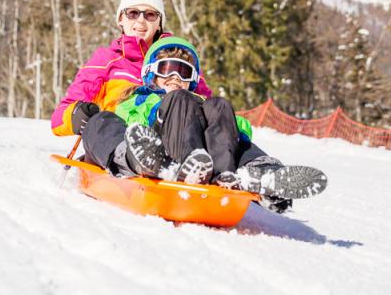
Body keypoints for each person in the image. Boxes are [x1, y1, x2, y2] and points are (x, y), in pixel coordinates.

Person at [50, 0, 326, 213]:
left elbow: (208, 113)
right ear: (121, 18)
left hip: (178, 139)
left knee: (217, 119)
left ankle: (261, 173)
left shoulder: (180, 59)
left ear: (159, 21)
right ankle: (139, 157)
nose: (140, 21)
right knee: (101, 121)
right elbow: (59, 118)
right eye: (133, 13)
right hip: (122, 135)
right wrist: (76, 115)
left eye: (149, 15)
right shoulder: (105, 59)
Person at [112, 37, 328, 208]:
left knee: (220, 106)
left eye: (184, 72)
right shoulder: (142, 99)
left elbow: (241, 128)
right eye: (168, 69)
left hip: (212, 163)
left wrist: (224, 121)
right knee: (180, 99)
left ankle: (259, 174)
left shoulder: (201, 103)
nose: (176, 77)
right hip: (167, 156)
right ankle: (191, 166)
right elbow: (129, 123)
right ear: (152, 73)